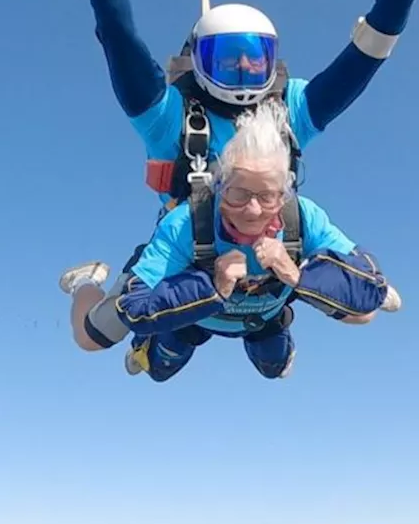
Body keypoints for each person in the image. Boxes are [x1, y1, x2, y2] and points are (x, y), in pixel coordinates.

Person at [53, 0, 419, 352]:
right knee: (93, 338)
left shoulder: (290, 110)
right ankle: (86, 281)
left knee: (354, 321)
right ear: (198, 60)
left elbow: (367, 56)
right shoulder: (172, 118)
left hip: (270, 254)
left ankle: (276, 317)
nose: (245, 71)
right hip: (190, 255)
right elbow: (120, 44)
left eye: (256, 59)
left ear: (274, 61)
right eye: (227, 59)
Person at [80, 99, 400, 380]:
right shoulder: (187, 222)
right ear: (219, 185)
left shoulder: (303, 217)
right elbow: (133, 307)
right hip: (194, 315)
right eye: (237, 193)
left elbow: (371, 289)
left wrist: (296, 275)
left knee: (346, 324)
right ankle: (85, 284)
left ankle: (292, 315)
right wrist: (211, 284)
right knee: (115, 348)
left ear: (286, 193)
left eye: (268, 196)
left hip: (262, 317)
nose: (252, 210)